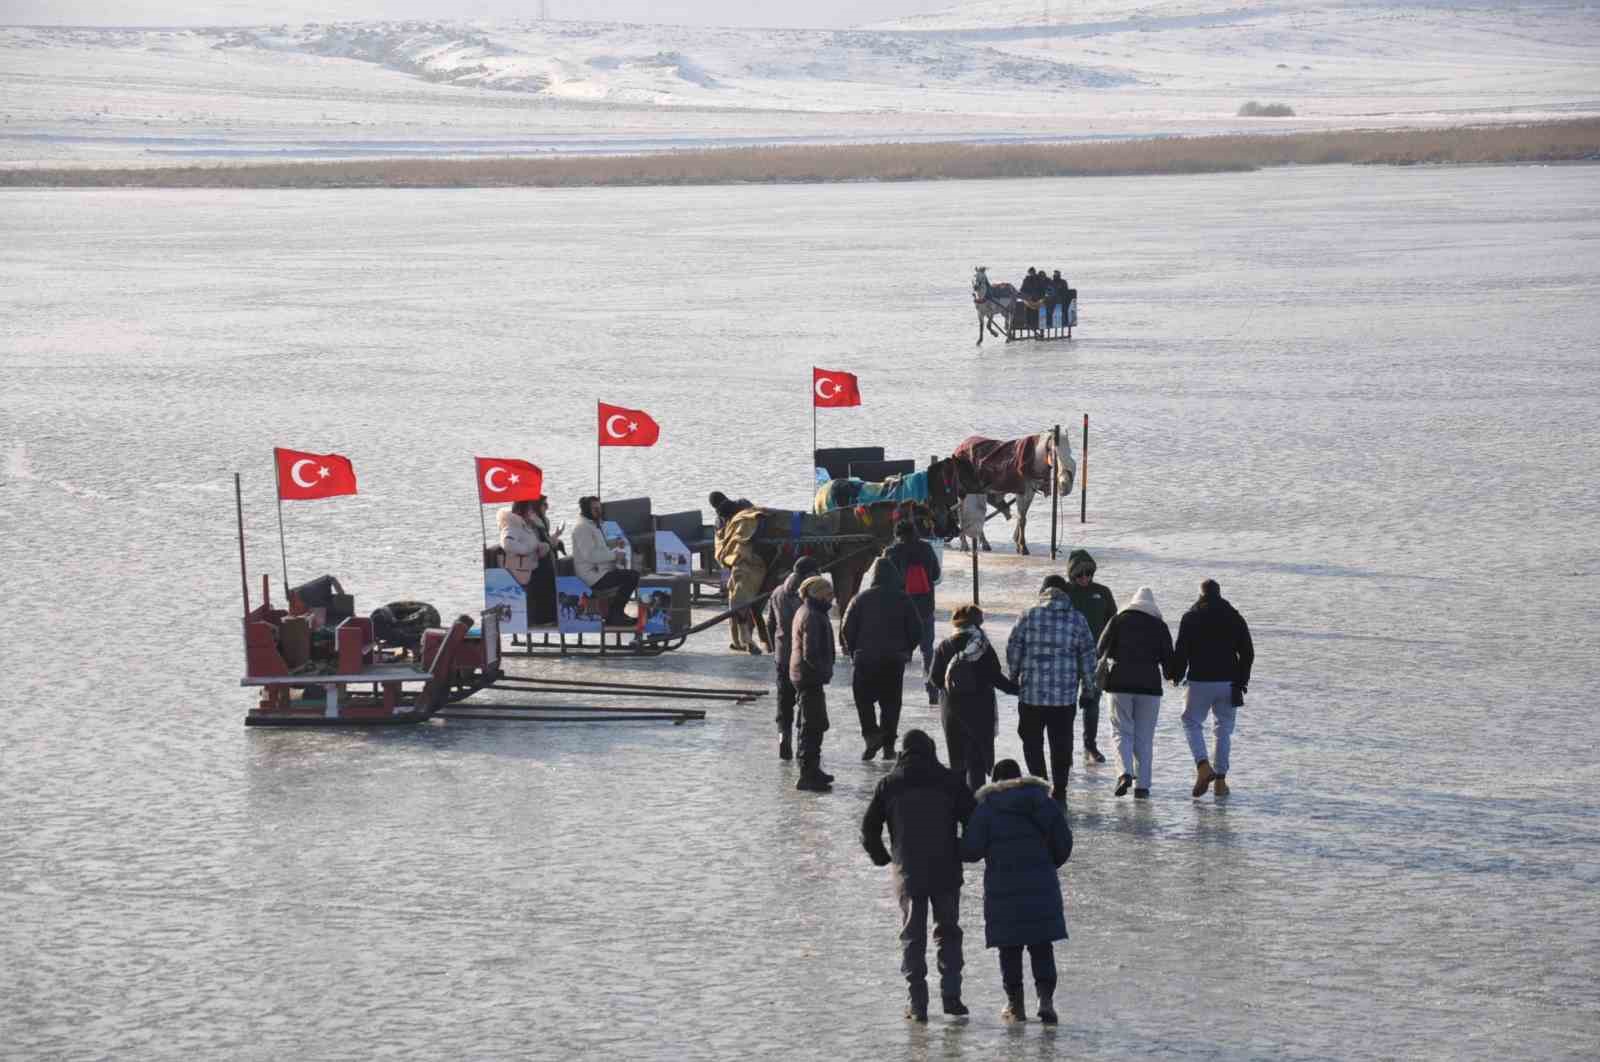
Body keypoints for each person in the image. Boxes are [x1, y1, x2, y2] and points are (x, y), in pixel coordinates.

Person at [861, 729, 977, 1023]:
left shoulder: (890, 784)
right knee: (948, 933)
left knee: (913, 937)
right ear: (932, 751)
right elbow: (975, 820)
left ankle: (917, 1004)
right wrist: (965, 850)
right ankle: (952, 997)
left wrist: (882, 857)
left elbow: (868, 829)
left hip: (908, 872)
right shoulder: (950, 781)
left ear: (902, 753)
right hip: (946, 870)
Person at [960, 758, 1072, 1024]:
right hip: (1041, 886)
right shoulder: (1044, 803)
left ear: (995, 781)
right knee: (1041, 944)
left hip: (1003, 890)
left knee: (1009, 948)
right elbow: (1064, 844)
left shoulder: (987, 809)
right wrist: (1046, 866)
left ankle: (1015, 1005)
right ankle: (1045, 1001)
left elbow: (971, 851)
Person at [1005, 574, 1100, 803]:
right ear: (1066, 593)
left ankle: (1040, 786)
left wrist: (1013, 676)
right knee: (1061, 744)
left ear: (1043, 591)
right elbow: (1088, 658)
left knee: (1032, 742)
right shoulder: (1077, 619)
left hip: (1031, 696)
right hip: (1064, 698)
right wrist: (1088, 690)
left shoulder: (1027, 615)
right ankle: (1060, 790)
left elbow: (1013, 648)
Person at [1171, 579, 1255, 799]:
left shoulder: (1191, 617)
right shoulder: (1234, 617)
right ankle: (1220, 782)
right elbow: (1248, 653)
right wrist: (1241, 682)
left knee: (1191, 722)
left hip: (1199, 680)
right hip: (1228, 683)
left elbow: (1182, 650)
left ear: (1200, 595)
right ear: (1220, 594)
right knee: (1223, 729)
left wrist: (1176, 675)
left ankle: (1203, 766)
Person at [929, 605, 1020, 792]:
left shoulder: (944, 646)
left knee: (957, 761)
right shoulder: (982, 646)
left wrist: (951, 686)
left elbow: (934, 679)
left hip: (951, 710)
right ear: (977, 622)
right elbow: (995, 677)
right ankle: (977, 803)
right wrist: (1017, 690)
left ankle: (958, 803)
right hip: (979, 710)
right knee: (976, 762)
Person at [1096, 586, 1175, 798]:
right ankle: (1143, 787)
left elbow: (1100, 648)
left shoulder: (1118, 620)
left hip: (1118, 684)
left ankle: (1124, 773)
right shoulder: (1159, 625)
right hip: (1150, 687)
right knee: (1145, 737)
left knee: (1121, 731)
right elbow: (1169, 663)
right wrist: (1173, 676)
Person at [840, 558, 923, 761]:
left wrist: (854, 650)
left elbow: (846, 628)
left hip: (864, 659)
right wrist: (906, 650)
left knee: (863, 701)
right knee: (891, 704)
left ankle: (871, 735)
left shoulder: (859, 599)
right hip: (893, 660)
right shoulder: (904, 599)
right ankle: (888, 747)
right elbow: (917, 630)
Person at [764, 555, 819, 761]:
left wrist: (774, 648)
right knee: (806, 700)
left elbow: (770, 624)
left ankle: (783, 736)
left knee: (784, 700)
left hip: (782, 657)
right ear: (809, 574)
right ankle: (802, 744)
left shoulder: (777, 592)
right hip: (803, 658)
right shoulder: (808, 596)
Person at [1064, 549, 1117, 765]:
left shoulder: (1102, 592)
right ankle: (1065, 749)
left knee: (1092, 703)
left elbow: (1114, 623)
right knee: (1066, 705)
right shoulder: (1065, 593)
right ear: (1071, 575)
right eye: (1079, 574)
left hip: (1095, 659)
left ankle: (1090, 745)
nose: (1085, 578)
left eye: (1089, 573)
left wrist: (1110, 653)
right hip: (1068, 658)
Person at [881, 520, 942, 704]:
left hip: (900, 610)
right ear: (915, 532)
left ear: (896, 535)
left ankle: (893, 693)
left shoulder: (891, 552)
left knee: (897, 653)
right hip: (925, 609)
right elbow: (936, 575)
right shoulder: (926, 549)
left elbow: (882, 580)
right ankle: (932, 691)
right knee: (927, 651)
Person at [790, 575, 837, 792]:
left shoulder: (809, 611)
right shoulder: (812, 615)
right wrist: (824, 671)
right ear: (818, 594)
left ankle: (812, 769)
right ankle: (807, 773)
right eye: (829, 594)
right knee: (812, 725)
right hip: (809, 677)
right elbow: (811, 652)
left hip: (804, 675)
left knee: (812, 723)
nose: (832, 598)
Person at [571, 495, 639, 627]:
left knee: (631, 573)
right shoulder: (582, 528)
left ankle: (617, 613)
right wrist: (614, 556)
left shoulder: (593, 525)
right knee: (632, 577)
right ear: (587, 510)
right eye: (595, 509)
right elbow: (590, 555)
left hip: (601, 571)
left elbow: (599, 546)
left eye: (599, 508)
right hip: (592, 576)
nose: (599, 511)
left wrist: (614, 543)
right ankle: (615, 615)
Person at [709, 490, 761, 654]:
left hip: (735, 562)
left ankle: (738, 640)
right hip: (744, 562)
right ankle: (743, 640)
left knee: (735, 600)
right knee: (740, 601)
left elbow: (721, 549)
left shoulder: (721, 520)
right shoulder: (742, 506)